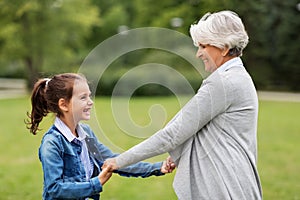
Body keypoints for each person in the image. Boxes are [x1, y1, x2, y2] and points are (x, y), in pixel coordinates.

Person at [103, 10, 263, 200]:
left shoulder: (223, 82)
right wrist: (183, 153)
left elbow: (172, 134)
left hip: (225, 186)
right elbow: (211, 130)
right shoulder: (238, 76)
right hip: (236, 183)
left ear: (224, 47)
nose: (198, 53)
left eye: (203, 46)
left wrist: (119, 161)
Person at [26, 73, 174, 200]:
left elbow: (114, 161)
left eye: (89, 96)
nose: (90, 102)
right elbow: (55, 188)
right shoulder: (52, 143)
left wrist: (157, 167)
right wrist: (96, 183)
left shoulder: (86, 134)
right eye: (83, 97)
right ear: (64, 105)